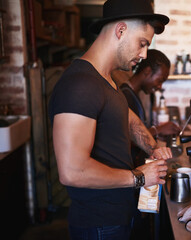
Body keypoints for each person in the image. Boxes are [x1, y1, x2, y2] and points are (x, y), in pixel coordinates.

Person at [48, 0, 171, 239]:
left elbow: (127, 116)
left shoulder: (106, 80)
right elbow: (72, 171)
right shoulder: (80, 84)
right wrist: (139, 177)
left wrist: (153, 146)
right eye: (142, 44)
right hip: (99, 225)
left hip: (118, 216)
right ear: (121, 30)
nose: (144, 54)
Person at [114, 49, 181, 166]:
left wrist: (156, 133)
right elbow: (125, 140)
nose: (160, 86)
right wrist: (157, 130)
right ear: (147, 71)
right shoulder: (125, 96)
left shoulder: (134, 94)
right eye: (160, 80)